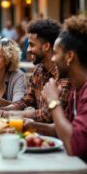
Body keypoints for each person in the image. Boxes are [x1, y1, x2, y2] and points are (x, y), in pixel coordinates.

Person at [0, 18, 71, 123]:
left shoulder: (63, 73)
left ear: (46, 46)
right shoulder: (39, 69)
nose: (28, 50)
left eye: (32, 44)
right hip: (38, 134)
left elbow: (47, 115)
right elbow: (26, 101)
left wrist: (4, 114)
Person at [40, 16, 87, 162]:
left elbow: (74, 146)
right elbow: (65, 127)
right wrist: (30, 126)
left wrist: (53, 101)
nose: (52, 59)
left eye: (55, 53)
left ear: (70, 56)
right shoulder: (76, 88)